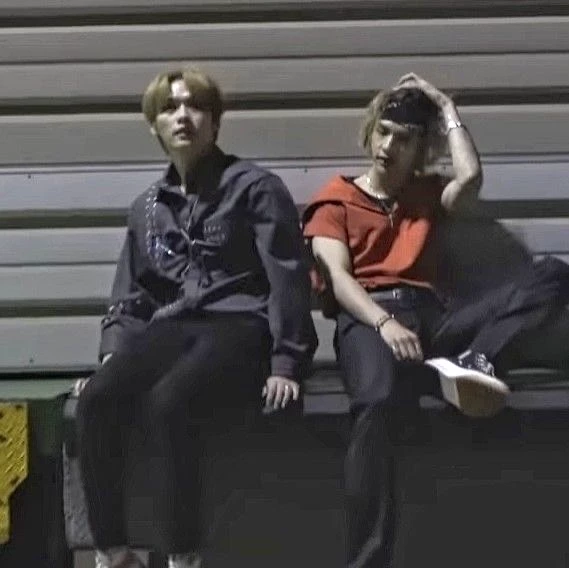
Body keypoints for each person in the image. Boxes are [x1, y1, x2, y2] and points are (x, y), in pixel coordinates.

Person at [302, 72, 569, 568]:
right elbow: (338, 278)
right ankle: (367, 561)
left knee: (551, 274)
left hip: (433, 318)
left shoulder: (426, 195)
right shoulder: (334, 198)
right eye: (383, 132)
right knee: (376, 403)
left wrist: (447, 108)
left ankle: (475, 359)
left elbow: (470, 180)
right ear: (370, 133)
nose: (388, 146)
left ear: (420, 150)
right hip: (368, 319)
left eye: (403, 139)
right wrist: (383, 324)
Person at [76, 66, 316, 568]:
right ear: (154, 126)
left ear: (216, 121)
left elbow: (288, 278)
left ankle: (183, 555)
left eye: (196, 106)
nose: (183, 116)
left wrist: (286, 362)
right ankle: (113, 552)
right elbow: (132, 294)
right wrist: (115, 358)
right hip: (174, 328)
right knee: (96, 399)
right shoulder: (147, 207)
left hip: (240, 325)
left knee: (169, 402)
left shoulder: (254, 187)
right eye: (169, 108)